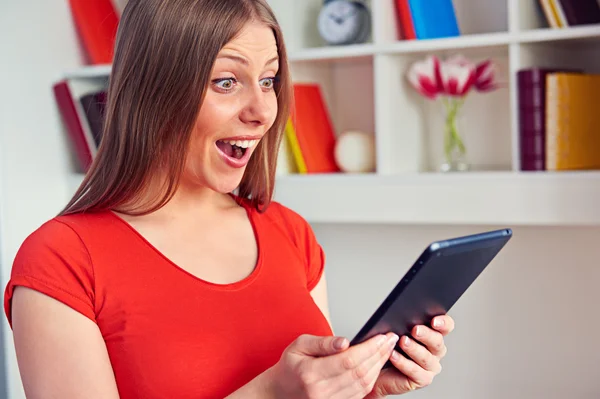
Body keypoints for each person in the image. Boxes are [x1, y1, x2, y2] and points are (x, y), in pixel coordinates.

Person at [3, 0, 455, 398]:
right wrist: (269, 395)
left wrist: (361, 386)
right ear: (152, 90)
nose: (261, 112)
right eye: (226, 82)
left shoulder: (289, 233)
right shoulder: (62, 261)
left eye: (269, 80)